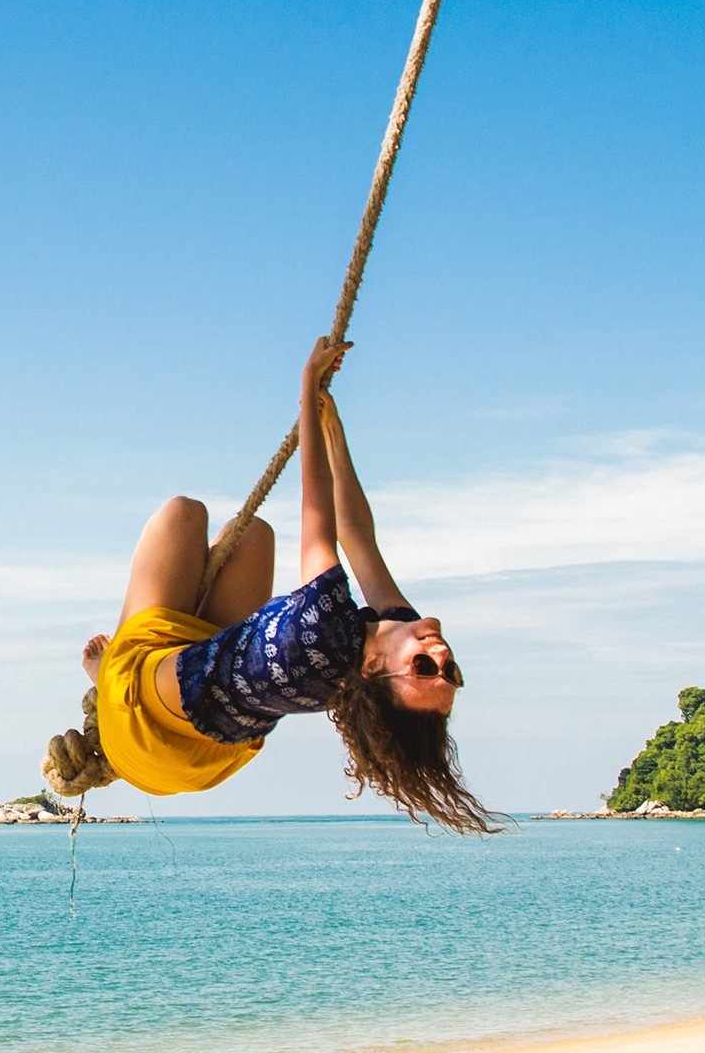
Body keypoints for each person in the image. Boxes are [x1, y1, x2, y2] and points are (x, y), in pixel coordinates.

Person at [81, 336, 499, 832]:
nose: (443, 659)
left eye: (425, 669)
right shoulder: (397, 632)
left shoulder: (319, 634)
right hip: (213, 733)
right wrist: (334, 432)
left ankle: (106, 678)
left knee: (183, 514)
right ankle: (173, 632)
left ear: (371, 666)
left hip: (147, 728)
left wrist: (308, 389)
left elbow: (318, 513)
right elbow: (358, 538)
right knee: (253, 534)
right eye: (450, 675)